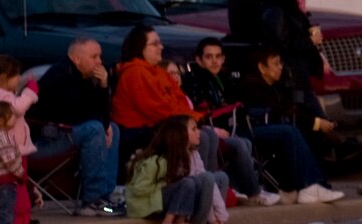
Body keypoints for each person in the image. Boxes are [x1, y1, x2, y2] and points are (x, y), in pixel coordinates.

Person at [112, 25, 271, 205]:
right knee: (203, 136)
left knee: (207, 134)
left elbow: (178, 103)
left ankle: (214, 192)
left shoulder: (157, 73)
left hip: (165, 125)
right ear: (140, 47)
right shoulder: (134, 73)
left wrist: (196, 120)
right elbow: (156, 109)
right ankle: (203, 192)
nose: (161, 47)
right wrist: (196, 121)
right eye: (155, 44)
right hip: (143, 132)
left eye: (160, 43)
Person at [236, 47, 345, 203]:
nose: (281, 67)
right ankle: (310, 185)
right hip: (252, 129)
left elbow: (289, 109)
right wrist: (316, 122)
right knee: (290, 132)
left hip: (271, 126)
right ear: (262, 67)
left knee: (305, 132)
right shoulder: (252, 87)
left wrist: (316, 123)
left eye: (280, 63)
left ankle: (310, 185)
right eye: (275, 64)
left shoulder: (276, 87)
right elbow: (277, 112)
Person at [31, 37, 122, 216]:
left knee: (113, 128)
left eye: (100, 57)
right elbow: (80, 114)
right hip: (44, 142)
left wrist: (103, 86)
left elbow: (98, 114)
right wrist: (102, 92)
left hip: (67, 133)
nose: (100, 62)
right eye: (94, 57)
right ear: (77, 58)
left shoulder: (84, 77)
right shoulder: (61, 76)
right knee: (95, 129)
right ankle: (93, 200)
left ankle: (105, 197)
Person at [128, 115, 227, 224]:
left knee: (218, 178)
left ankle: (197, 223)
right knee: (191, 182)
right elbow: (139, 189)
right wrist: (165, 184)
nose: (199, 133)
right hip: (149, 203)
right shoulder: (158, 162)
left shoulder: (193, 155)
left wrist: (219, 215)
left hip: (174, 197)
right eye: (194, 129)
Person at [262, 0, 325, 90]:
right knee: (306, 107)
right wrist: (310, 41)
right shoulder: (277, 11)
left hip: (299, 71)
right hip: (291, 73)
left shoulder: (286, 7)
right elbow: (283, 43)